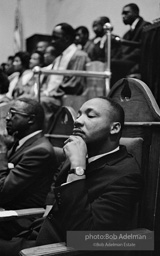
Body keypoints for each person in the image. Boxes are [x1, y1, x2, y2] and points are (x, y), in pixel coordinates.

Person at [0, 97, 142, 255]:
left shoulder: (126, 175)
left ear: (114, 128)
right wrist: (50, 203)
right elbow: (55, 184)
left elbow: (86, 238)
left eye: (90, 116)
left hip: (54, 250)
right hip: (37, 231)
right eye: (79, 114)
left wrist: (78, 168)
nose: (78, 121)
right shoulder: (79, 153)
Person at [0, 97, 58, 239]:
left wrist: (1, 153)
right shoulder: (20, 141)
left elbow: (2, 192)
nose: (8, 119)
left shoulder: (39, 151)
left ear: (31, 119)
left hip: (19, 220)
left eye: (13, 114)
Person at [40, 22, 90, 132]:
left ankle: (44, 139)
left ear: (66, 38)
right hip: (53, 95)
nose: (52, 41)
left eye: (55, 38)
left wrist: (52, 93)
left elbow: (74, 83)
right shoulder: (59, 58)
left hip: (65, 96)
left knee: (41, 102)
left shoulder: (78, 55)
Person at [111, 3, 150, 85]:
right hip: (129, 60)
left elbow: (142, 49)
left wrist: (122, 59)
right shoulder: (128, 33)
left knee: (113, 64)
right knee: (109, 63)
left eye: (126, 13)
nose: (123, 16)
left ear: (135, 13)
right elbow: (122, 49)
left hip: (138, 62)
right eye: (122, 14)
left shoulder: (145, 26)